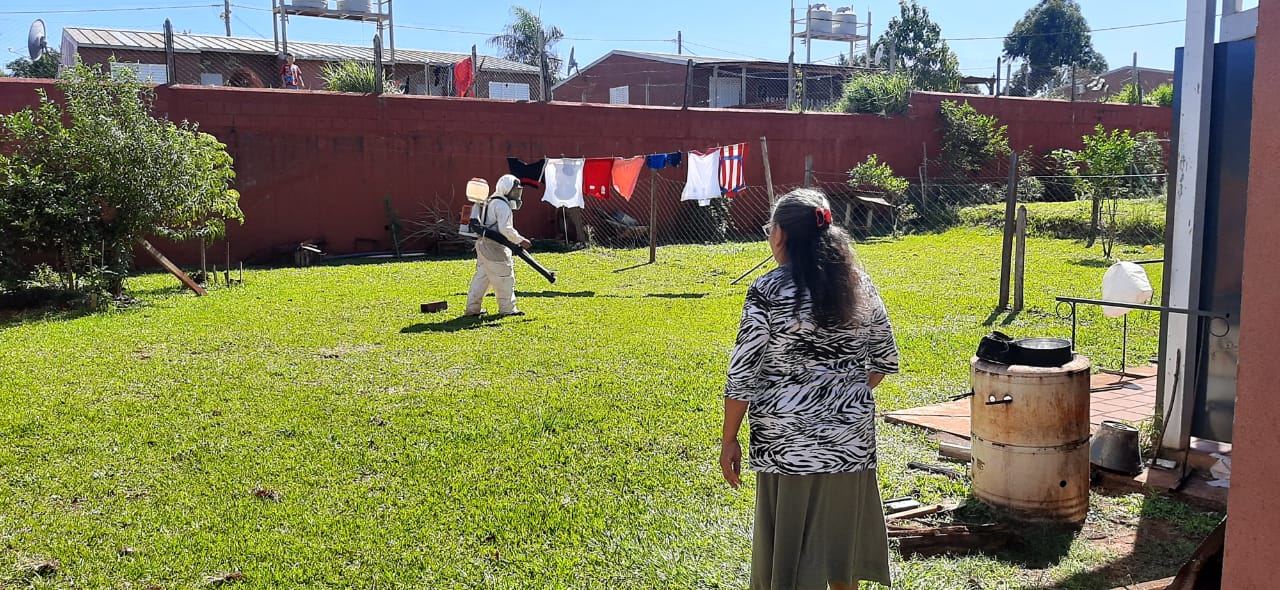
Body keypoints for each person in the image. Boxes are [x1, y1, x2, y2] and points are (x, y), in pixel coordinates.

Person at [720, 188, 898, 590]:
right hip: (850, 444)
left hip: (786, 447)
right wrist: (842, 394)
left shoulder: (767, 291)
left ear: (780, 234)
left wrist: (729, 439)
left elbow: (743, 373)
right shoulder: (861, 285)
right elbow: (884, 360)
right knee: (842, 558)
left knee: (789, 560)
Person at [464, 174, 532, 317]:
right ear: (505, 190)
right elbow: (505, 229)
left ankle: (472, 309)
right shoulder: (502, 206)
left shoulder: (489, 201)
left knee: (482, 277)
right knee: (505, 277)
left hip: (482, 245)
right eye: (514, 192)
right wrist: (521, 240)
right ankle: (507, 309)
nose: (516, 195)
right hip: (495, 247)